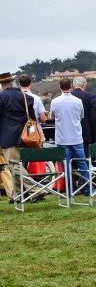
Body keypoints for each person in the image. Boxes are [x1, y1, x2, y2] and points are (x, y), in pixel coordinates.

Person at [0, 72, 38, 202]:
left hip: (8, 136)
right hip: (25, 136)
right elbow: (32, 118)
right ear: (12, 82)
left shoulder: (2, 97)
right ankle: (17, 195)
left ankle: (36, 189)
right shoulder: (25, 97)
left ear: (2, 84)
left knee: (14, 165)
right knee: (16, 165)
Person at [50, 78, 90, 196]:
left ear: (59, 87)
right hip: (76, 137)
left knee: (66, 165)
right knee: (82, 163)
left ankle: (69, 190)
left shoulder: (55, 101)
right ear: (71, 86)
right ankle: (87, 188)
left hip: (62, 138)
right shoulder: (78, 101)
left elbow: (52, 116)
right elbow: (81, 116)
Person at [71, 76, 96, 157]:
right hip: (86, 134)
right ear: (85, 86)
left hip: (70, 134)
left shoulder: (68, 96)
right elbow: (93, 117)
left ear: (73, 85)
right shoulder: (90, 96)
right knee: (85, 160)